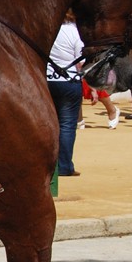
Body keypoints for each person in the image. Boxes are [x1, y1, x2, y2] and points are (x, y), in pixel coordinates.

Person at [48, 12, 84, 177]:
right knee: (67, 126)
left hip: (47, 79)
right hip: (69, 80)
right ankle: (64, 166)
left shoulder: (50, 28)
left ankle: (50, 164)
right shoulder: (74, 31)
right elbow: (80, 62)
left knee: (50, 124)